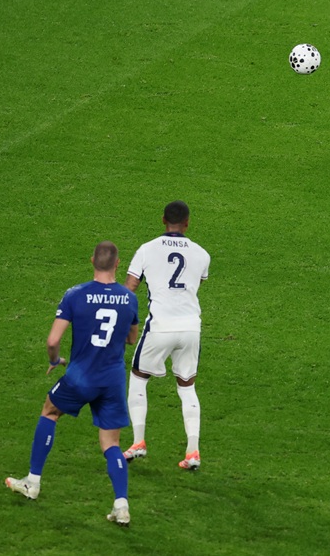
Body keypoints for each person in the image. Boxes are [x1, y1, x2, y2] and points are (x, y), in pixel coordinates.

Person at [5, 241, 140, 527]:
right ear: (117, 263)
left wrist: (55, 360)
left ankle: (33, 481)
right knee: (111, 443)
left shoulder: (75, 295)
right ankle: (121, 505)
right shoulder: (129, 299)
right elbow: (131, 338)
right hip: (112, 380)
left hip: (81, 377)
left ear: (92, 260)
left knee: (50, 411)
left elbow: (53, 340)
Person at [121, 201, 211, 470]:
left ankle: (138, 442)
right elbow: (198, 282)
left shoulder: (147, 250)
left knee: (138, 378)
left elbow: (129, 288)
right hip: (191, 327)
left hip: (160, 325)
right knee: (187, 387)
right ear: (188, 222)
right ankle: (193, 451)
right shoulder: (201, 254)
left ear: (163, 220)